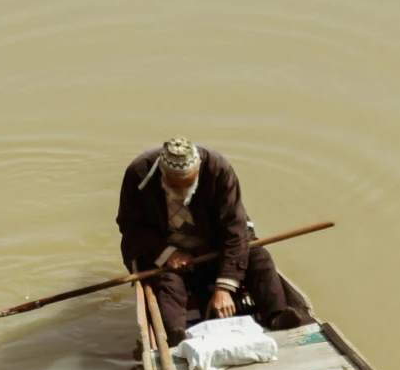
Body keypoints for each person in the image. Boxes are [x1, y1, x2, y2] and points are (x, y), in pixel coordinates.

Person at [116, 137, 309, 343]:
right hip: (168, 255)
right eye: (174, 185)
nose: (182, 193)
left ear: (198, 170)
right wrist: (168, 253)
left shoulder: (218, 169)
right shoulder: (138, 174)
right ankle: (176, 335)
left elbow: (235, 229)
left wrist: (224, 287)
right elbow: (129, 226)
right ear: (162, 172)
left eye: (188, 184)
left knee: (259, 256)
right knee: (167, 282)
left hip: (215, 248)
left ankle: (277, 316)